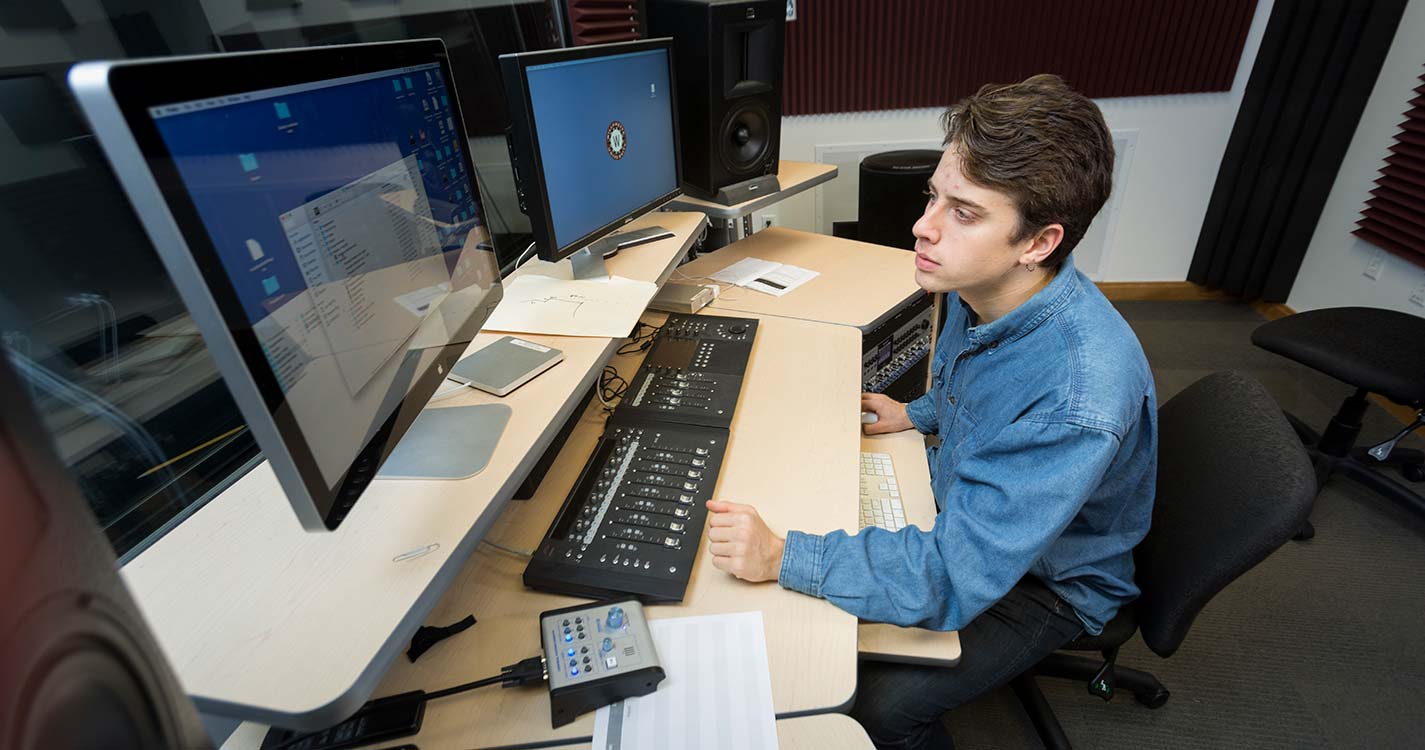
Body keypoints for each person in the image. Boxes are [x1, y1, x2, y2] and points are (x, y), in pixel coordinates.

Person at [704, 74, 1157, 749]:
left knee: (879, 707)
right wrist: (916, 415)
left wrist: (781, 555)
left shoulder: (1076, 397)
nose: (923, 226)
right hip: (979, 520)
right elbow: (967, 389)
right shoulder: (984, 287)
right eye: (933, 197)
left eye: (964, 212)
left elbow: (950, 576)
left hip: (1050, 584)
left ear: (1037, 242)